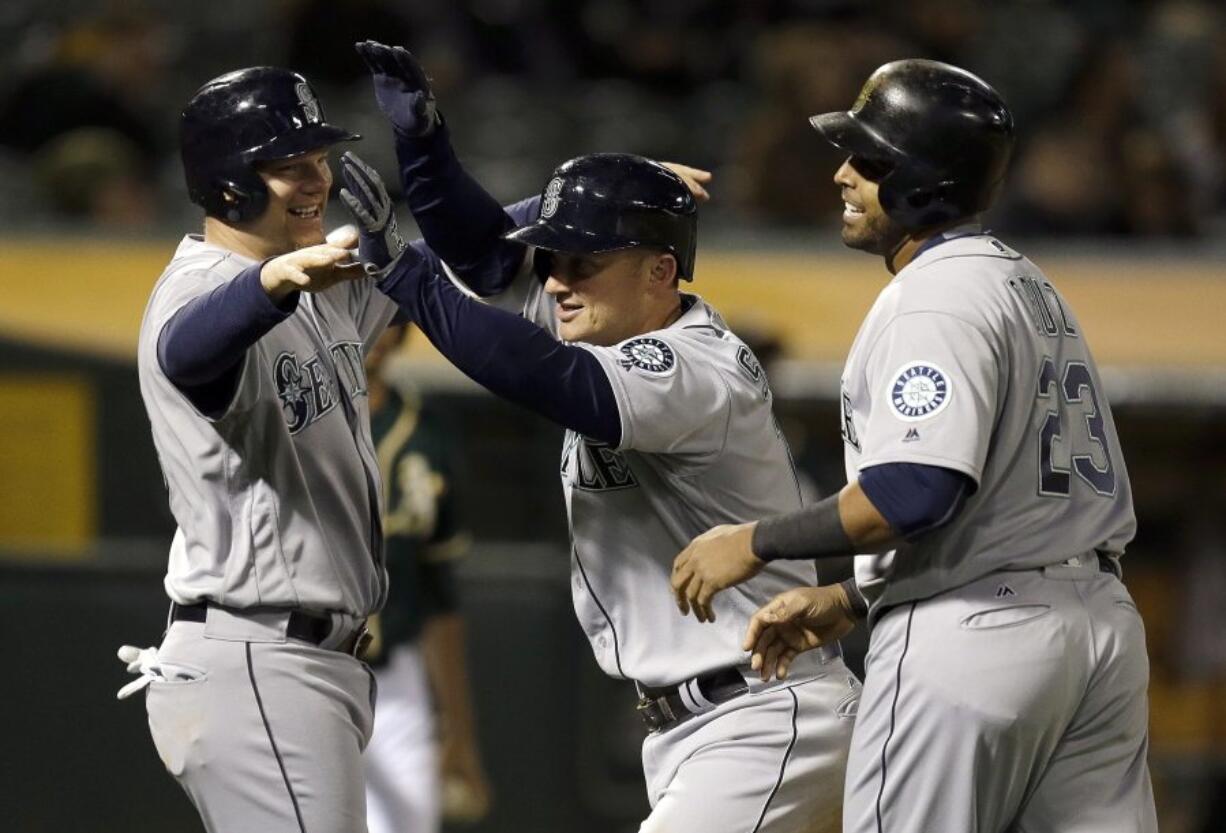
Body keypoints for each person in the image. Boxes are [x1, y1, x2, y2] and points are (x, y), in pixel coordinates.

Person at [340, 40, 860, 833]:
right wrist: (424, 144)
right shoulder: (606, 321)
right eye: (555, 259)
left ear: (659, 271)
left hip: (764, 713)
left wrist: (406, 276)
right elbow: (484, 257)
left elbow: (546, 377)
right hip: (710, 724)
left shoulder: (689, 364)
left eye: (582, 261)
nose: (556, 279)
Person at [669, 60, 1158, 833]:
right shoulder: (1026, 285)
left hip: (977, 637)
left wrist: (754, 542)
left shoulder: (934, 296)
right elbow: (1001, 501)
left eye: (868, 161)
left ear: (924, 180)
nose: (841, 175)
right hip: (1097, 630)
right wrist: (856, 596)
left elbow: (915, 491)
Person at [119, 66, 410, 833]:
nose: (317, 178)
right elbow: (187, 352)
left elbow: (452, 275)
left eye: (318, 159)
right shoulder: (202, 287)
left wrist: (574, 215)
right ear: (227, 184)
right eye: (289, 165)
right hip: (257, 648)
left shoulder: (312, 277)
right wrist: (274, 282)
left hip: (299, 660)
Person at [362, 324, 491, 833]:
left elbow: (442, 596)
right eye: (355, 309)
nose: (369, 326)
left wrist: (459, 731)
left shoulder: (425, 432)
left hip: (396, 676)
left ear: (400, 334)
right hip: (305, 663)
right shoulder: (292, 419)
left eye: (383, 316)